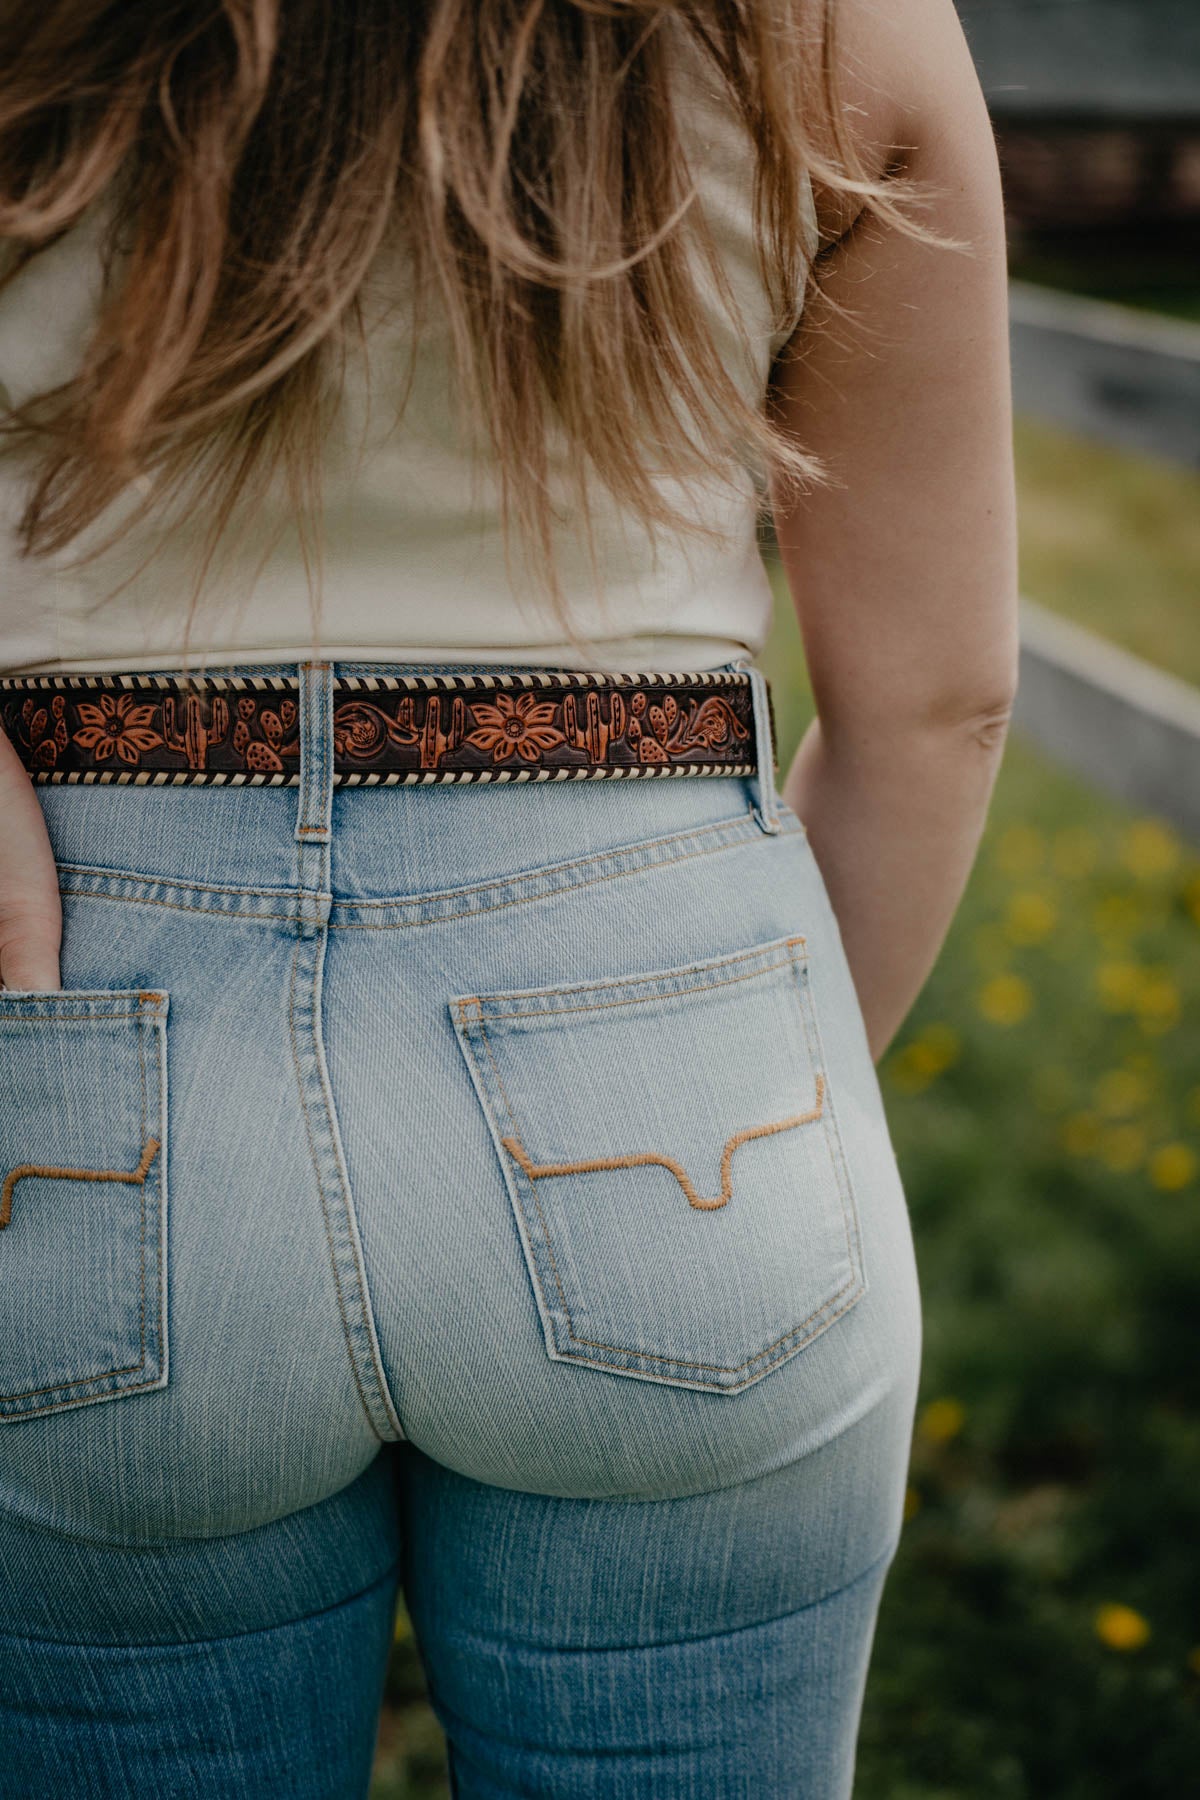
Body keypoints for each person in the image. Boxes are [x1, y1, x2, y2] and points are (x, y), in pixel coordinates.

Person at [0, 1, 1017, 1794]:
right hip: (669, 1016)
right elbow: (938, 702)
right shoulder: (838, 25)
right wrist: (748, 1083)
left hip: (77, 1013)